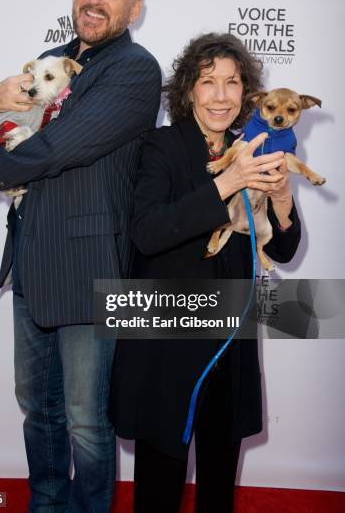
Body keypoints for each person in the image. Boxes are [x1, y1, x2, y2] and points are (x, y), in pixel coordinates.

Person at [0, 0, 162, 513]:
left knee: (85, 423)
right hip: (30, 260)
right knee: (38, 409)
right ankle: (46, 505)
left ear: (134, 9)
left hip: (90, 270)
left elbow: (56, 147)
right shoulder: (51, 56)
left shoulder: (134, 70)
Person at [109, 33, 301, 512]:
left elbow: (286, 247)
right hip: (165, 341)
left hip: (228, 342)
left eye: (232, 82)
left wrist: (280, 199)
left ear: (247, 92)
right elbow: (148, 232)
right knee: (158, 485)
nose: (221, 95)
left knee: (218, 482)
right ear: (188, 90)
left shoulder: (256, 145)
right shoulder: (161, 146)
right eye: (207, 81)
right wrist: (229, 183)